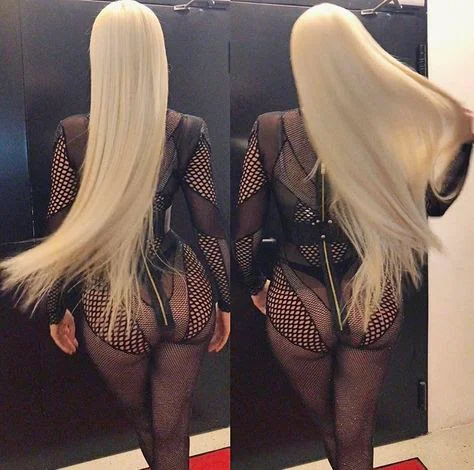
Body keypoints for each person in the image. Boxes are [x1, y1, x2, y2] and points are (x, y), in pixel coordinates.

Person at [233, 4, 472, 470]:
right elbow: (432, 204)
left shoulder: (270, 129)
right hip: (370, 296)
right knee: (356, 431)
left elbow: (246, 232)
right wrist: (464, 141)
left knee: (331, 427)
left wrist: (255, 284)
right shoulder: (389, 127)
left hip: (297, 299)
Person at [0, 1, 230, 469]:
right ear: (157, 57)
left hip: (114, 305)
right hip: (186, 292)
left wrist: (57, 309)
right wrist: (225, 302)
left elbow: (60, 234)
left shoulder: (75, 134)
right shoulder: (187, 130)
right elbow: (210, 231)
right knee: (174, 428)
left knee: (147, 423)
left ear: (99, 59)